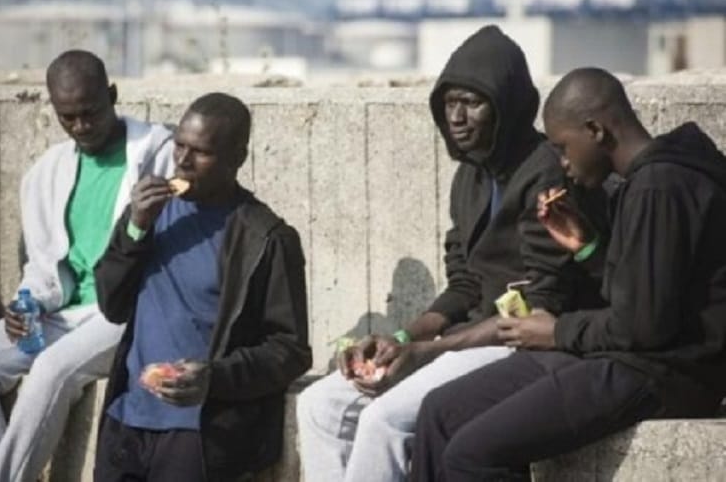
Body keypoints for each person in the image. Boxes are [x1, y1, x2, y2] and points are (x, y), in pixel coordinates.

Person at [296, 25, 605, 482]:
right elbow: (464, 283)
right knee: (318, 404)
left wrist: (424, 350)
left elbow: (543, 304)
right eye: (449, 103)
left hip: (520, 346)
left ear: (507, 106)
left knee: (385, 421)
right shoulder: (471, 175)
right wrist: (402, 338)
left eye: (473, 103)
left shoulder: (546, 172)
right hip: (469, 336)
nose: (457, 117)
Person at [411, 67, 726, 482]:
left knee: (471, 455)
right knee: (439, 412)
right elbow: (640, 291)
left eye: (563, 147)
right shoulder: (646, 183)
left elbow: (644, 328)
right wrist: (587, 246)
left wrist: (556, 331)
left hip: (662, 373)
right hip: (619, 355)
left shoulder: (660, 187)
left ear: (595, 130)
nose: (563, 163)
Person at [0, 50, 173, 482]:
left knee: (50, 370)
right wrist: (26, 303)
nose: (80, 126)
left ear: (112, 95)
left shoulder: (159, 155)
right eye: (67, 117)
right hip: (60, 314)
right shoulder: (47, 173)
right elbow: (43, 265)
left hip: (123, 313)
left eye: (90, 113)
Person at [92, 92, 312, 481]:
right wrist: (135, 230)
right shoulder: (148, 211)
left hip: (200, 433)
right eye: (179, 145)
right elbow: (112, 304)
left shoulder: (266, 237)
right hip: (127, 418)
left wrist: (214, 378)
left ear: (237, 159)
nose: (183, 161)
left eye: (201, 152)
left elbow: (289, 350)